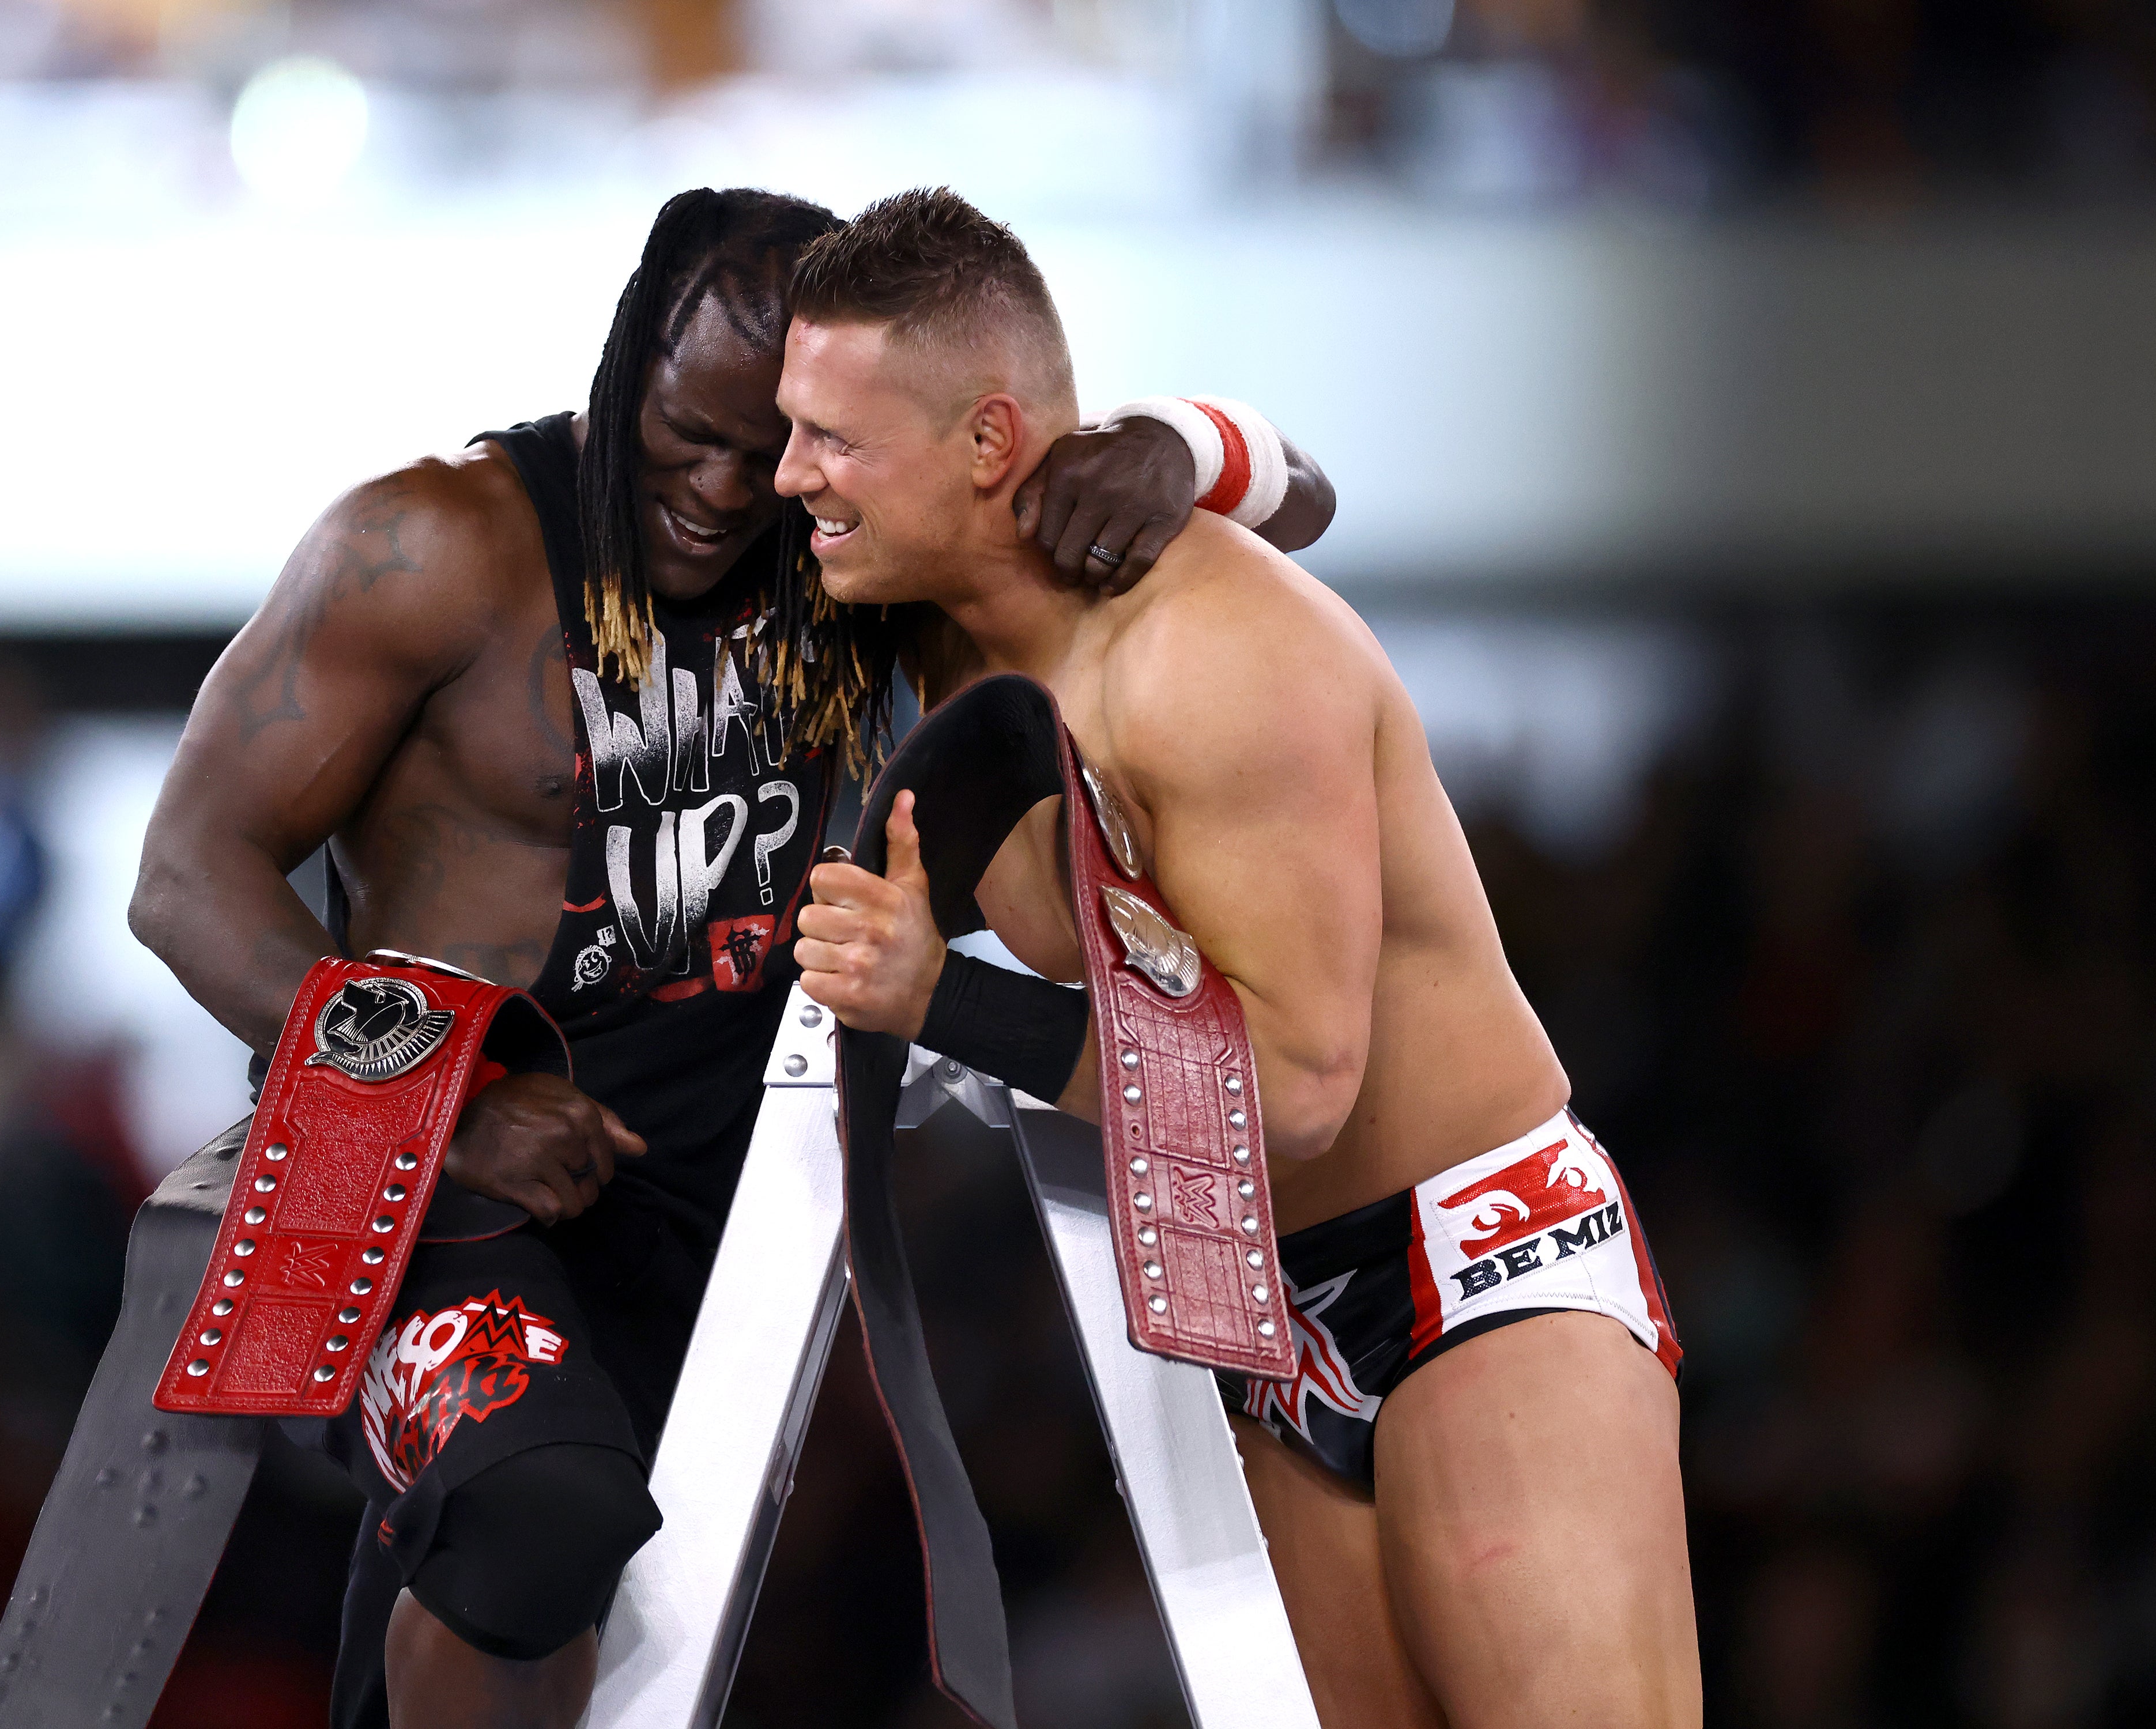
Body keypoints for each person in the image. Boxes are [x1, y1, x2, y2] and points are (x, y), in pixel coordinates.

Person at [127, 186, 1337, 1729]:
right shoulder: (436, 546)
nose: (713, 489)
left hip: (713, 1193)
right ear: (626, 360)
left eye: (758, 451)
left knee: (560, 1597)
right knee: (531, 1521)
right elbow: (184, 876)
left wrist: (1167, 441)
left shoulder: (839, 559)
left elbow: (1300, 498)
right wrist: (449, 1103)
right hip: (448, 1180)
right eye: (676, 435)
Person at [779, 187, 1698, 1729]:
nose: (793, 474)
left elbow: (1293, 1096)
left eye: (834, 441)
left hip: (1473, 1261)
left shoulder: (1213, 658)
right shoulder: (910, 623)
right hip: (1257, 1301)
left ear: (991, 444)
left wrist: (950, 1002)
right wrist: (1207, 439)